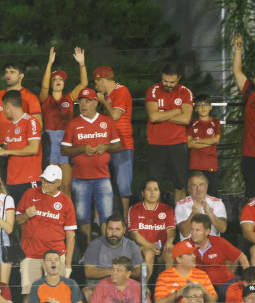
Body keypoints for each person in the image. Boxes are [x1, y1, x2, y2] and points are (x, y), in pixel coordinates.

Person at [60, 87, 121, 245]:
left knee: (106, 216)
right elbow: (64, 150)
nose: (83, 105)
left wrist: (106, 147)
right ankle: (86, 251)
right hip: (81, 179)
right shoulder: (74, 124)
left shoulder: (106, 122)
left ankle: (105, 249)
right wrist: (81, 148)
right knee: (82, 217)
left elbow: (118, 146)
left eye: (87, 101)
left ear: (95, 102)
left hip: (103, 177)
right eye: (81, 102)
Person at [16, 165, 77, 303]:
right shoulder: (30, 194)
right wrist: (26, 216)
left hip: (57, 255)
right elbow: (17, 220)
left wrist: (68, 264)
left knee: (59, 295)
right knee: (29, 293)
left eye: (50, 181)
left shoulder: (66, 202)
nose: (45, 184)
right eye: (43, 180)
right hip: (31, 253)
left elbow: (70, 234)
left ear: (59, 182)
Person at [39, 47, 88, 197]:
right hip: (50, 141)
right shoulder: (45, 98)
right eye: (54, 79)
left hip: (67, 141)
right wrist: (49, 64)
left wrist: (81, 64)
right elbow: (45, 86)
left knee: (66, 186)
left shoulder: (69, 97)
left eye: (60, 79)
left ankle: (67, 217)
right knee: (51, 184)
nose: (57, 81)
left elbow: (84, 84)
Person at [145, 63, 194, 204]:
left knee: (180, 184)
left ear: (178, 78)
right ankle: (155, 219)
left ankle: (180, 220)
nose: (168, 84)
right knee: (153, 185)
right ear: (161, 75)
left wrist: (162, 114)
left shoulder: (185, 92)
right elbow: (153, 117)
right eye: (165, 81)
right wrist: (175, 111)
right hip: (156, 144)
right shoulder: (153, 90)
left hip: (178, 144)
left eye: (172, 82)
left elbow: (186, 119)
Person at [0, 62, 43, 181]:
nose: (8, 75)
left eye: (12, 72)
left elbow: (38, 124)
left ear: (21, 76)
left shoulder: (30, 97)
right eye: (6, 72)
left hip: (19, 145)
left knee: (18, 183)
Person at [93, 65, 135, 216]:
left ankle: (125, 221)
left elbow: (116, 115)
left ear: (102, 80)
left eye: (96, 83)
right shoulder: (108, 96)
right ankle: (102, 220)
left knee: (123, 187)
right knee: (102, 183)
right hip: (107, 145)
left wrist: (103, 102)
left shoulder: (120, 90)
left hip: (123, 144)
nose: (96, 87)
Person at [0, 89, 43, 203]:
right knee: (15, 217)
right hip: (12, 180)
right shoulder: (10, 127)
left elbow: (33, 149)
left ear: (8, 106)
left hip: (29, 179)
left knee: (30, 216)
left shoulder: (31, 121)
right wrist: (2, 151)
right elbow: (11, 149)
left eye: (3, 107)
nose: (3, 111)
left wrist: (7, 152)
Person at [232, 34, 255, 198]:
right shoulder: (249, 92)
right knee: (252, 196)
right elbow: (237, 71)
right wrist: (238, 49)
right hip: (251, 154)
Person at [184, 214, 247, 302]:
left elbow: (242, 257)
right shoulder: (185, 245)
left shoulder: (219, 241)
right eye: (192, 229)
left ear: (207, 231)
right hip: (201, 285)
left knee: (237, 298)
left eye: (197, 230)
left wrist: (247, 279)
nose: (193, 233)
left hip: (226, 282)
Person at [82, 215, 143, 303]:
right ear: (105, 229)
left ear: (124, 230)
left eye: (117, 229)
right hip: (99, 286)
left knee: (145, 292)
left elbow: (138, 270)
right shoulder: (95, 245)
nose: (113, 233)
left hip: (125, 285)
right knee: (87, 292)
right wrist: (113, 272)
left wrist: (122, 275)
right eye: (110, 229)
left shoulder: (131, 245)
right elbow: (89, 272)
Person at [127, 178, 176, 281]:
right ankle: (144, 290)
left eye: (156, 189)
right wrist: (150, 245)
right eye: (149, 189)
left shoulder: (167, 209)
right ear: (143, 192)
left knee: (171, 253)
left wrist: (169, 241)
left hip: (161, 248)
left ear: (159, 192)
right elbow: (134, 234)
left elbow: (171, 230)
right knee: (148, 253)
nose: (152, 193)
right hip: (141, 247)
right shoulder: (134, 209)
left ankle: (165, 289)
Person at [175, 171, 227, 240]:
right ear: (189, 189)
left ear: (207, 186)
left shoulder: (217, 203)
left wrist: (210, 213)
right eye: (194, 185)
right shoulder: (181, 204)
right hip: (189, 246)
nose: (198, 189)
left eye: (201, 184)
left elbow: (223, 229)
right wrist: (193, 214)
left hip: (212, 245)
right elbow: (184, 232)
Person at [187, 94, 222, 193]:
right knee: (194, 194)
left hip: (210, 164)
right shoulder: (192, 123)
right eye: (200, 105)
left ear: (210, 107)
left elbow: (216, 139)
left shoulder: (215, 122)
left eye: (206, 105)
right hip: (195, 165)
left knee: (212, 194)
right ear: (195, 109)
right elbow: (189, 144)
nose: (203, 108)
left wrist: (197, 141)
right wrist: (208, 142)